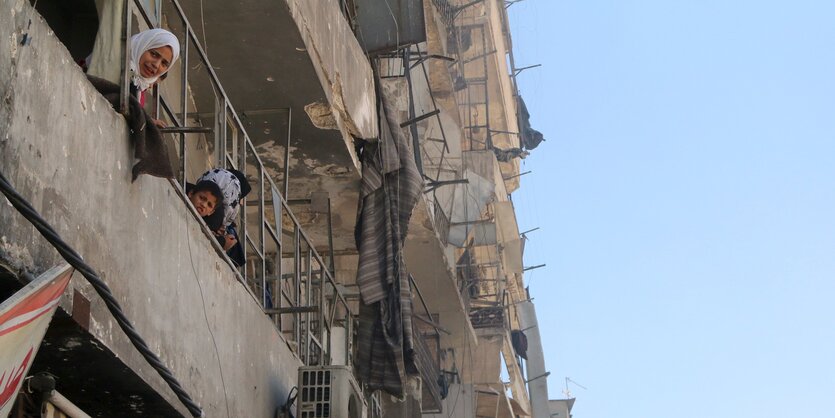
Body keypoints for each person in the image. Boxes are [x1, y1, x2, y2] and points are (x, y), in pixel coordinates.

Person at [128, 28, 180, 110]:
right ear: (142, 46)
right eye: (154, 54)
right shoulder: (114, 58)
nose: (156, 65)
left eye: (164, 63)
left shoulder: (139, 88)